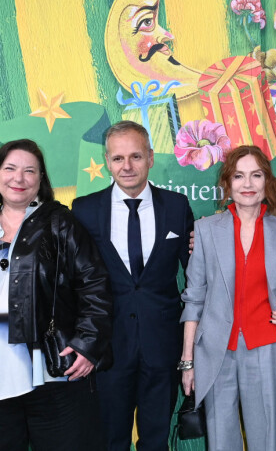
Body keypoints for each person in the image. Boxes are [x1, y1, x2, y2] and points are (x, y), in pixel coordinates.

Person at [72, 121, 193, 451]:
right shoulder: (84, 210)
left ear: (151, 158)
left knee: (156, 441)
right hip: (108, 350)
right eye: (118, 158)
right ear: (107, 160)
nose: (126, 166)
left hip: (163, 344)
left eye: (136, 156)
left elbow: (197, 275)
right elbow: (75, 283)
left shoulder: (177, 207)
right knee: (111, 440)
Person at [181, 145, 276, 451]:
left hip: (267, 347)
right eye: (239, 176)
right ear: (227, 183)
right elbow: (194, 299)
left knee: (268, 442)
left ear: (267, 182)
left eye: (256, 175)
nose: (247, 185)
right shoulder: (206, 230)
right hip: (216, 352)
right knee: (221, 443)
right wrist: (187, 362)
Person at [0, 139, 113, 451]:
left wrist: (88, 345)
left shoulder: (59, 222)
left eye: (29, 171)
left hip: (51, 372)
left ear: (40, 180)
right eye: (9, 168)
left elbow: (94, 285)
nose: (18, 178)